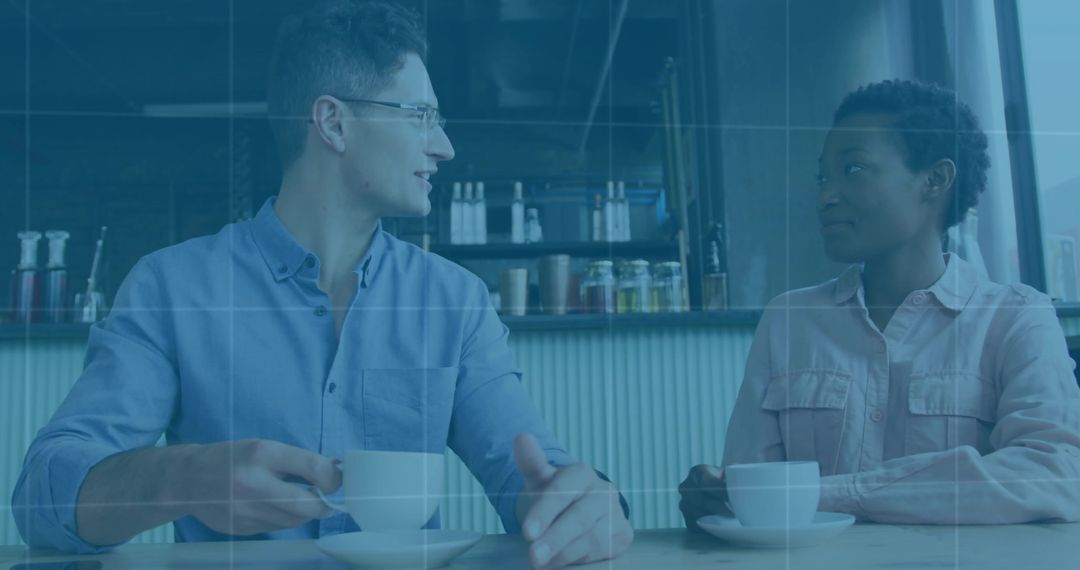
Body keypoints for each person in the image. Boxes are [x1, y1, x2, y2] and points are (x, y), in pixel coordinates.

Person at [12, 2, 633, 568]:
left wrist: (581, 507)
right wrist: (183, 476)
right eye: (421, 115)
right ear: (333, 123)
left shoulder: (455, 302)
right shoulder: (172, 288)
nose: (444, 146)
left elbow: (532, 474)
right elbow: (43, 502)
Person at [679, 79, 1080, 527]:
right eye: (822, 177)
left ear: (935, 180)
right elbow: (750, 493)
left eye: (852, 170)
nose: (825, 195)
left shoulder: (1016, 318)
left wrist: (834, 494)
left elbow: (1055, 476)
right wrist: (719, 499)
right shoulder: (789, 319)